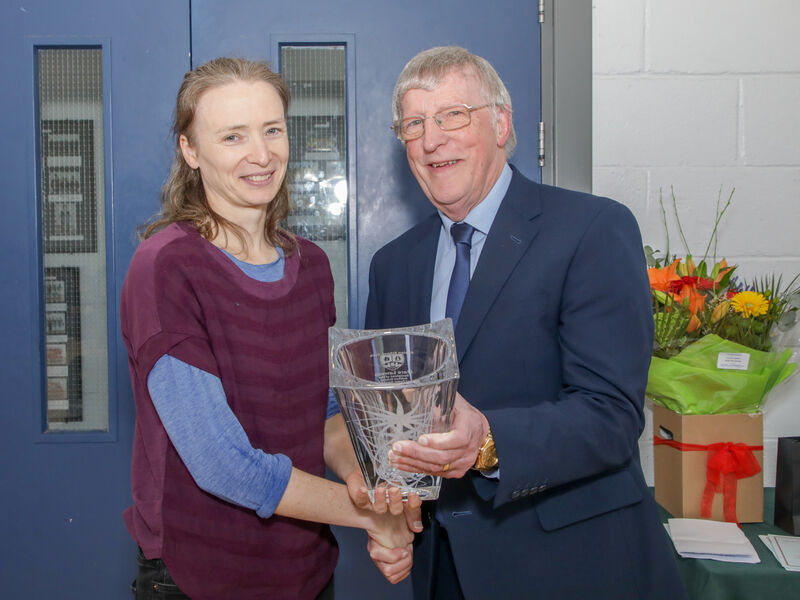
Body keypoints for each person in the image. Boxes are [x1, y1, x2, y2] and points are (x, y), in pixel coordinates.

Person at [364, 46, 689, 600]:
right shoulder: (393, 264)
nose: (431, 138)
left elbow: (611, 415)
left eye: (452, 116)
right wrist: (390, 515)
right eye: (414, 124)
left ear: (501, 124)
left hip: (573, 568)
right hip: (441, 570)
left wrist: (487, 441)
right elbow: (387, 421)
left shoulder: (592, 230)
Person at [120, 57, 417, 600]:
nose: (261, 155)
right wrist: (369, 517)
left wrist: (365, 483)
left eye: (272, 130)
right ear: (190, 150)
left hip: (304, 572)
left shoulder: (311, 266)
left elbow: (324, 412)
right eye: (232, 136)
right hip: (200, 576)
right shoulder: (166, 267)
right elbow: (222, 465)